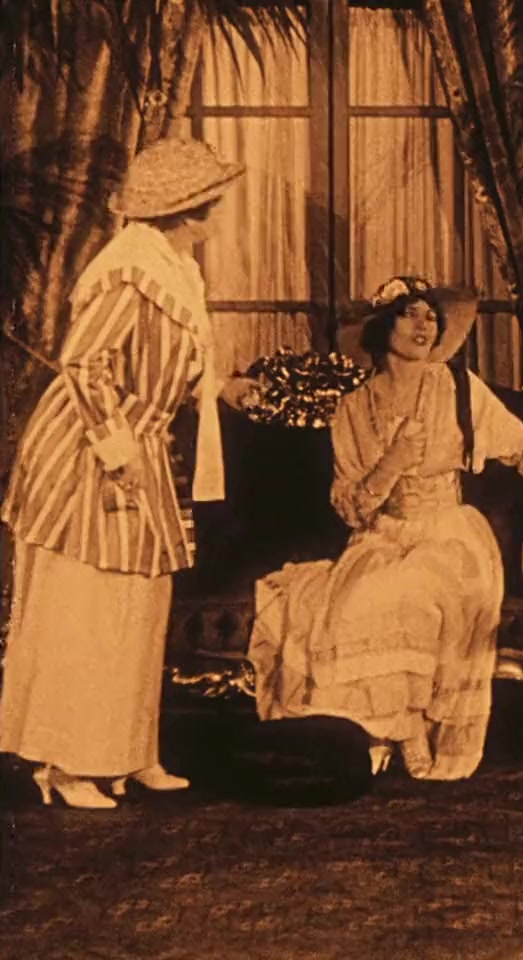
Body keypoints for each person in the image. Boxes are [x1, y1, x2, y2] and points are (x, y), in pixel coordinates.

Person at [247, 276, 523, 781]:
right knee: (354, 599)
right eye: (409, 314)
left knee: (416, 590)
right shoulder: (352, 409)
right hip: (381, 536)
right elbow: (352, 509)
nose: (423, 326)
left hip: (451, 535)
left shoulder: (458, 390)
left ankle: (407, 729)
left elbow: (522, 444)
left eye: (431, 317)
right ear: (381, 328)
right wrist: (391, 463)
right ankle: (390, 730)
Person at [0, 137, 253, 809]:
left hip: (140, 441)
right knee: (88, 610)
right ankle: (68, 764)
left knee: (139, 609)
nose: (214, 216)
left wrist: (221, 388)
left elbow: (168, 365)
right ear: (183, 211)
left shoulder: (172, 270)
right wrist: (117, 452)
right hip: (92, 451)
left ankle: (128, 750)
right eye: (208, 205)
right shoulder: (128, 271)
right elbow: (84, 365)